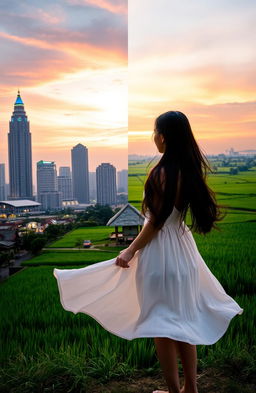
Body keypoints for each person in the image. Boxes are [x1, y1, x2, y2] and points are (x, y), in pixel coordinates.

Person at [54, 111, 243, 393]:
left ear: (163, 137)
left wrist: (130, 250)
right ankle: (190, 388)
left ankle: (174, 390)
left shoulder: (161, 173)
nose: (153, 137)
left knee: (160, 326)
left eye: (154, 132)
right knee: (182, 323)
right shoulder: (187, 170)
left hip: (160, 257)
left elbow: (155, 222)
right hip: (184, 255)